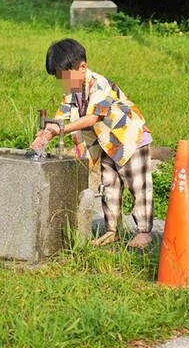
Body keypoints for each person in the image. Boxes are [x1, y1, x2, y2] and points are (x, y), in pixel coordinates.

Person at [32, 38, 154, 249]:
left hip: (130, 139)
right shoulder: (72, 90)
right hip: (107, 143)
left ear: (82, 67)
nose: (64, 82)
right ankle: (112, 230)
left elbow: (92, 118)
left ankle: (144, 232)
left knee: (138, 185)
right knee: (109, 186)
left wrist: (58, 129)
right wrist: (46, 132)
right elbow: (61, 116)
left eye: (65, 76)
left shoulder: (100, 84)